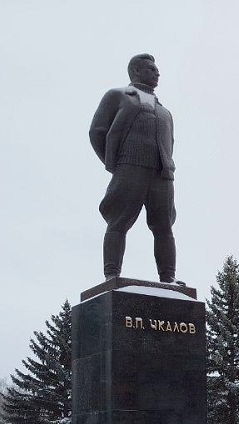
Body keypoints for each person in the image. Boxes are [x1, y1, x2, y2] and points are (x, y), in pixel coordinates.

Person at [89, 54, 178, 283]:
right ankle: (112, 275)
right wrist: (117, 164)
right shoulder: (118, 96)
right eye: (151, 69)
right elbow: (97, 131)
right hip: (130, 167)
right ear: (136, 71)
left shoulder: (164, 111)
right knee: (118, 220)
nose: (157, 73)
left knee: (164, 226)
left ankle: (168, 278)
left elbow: (171, 143)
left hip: (162, 174)